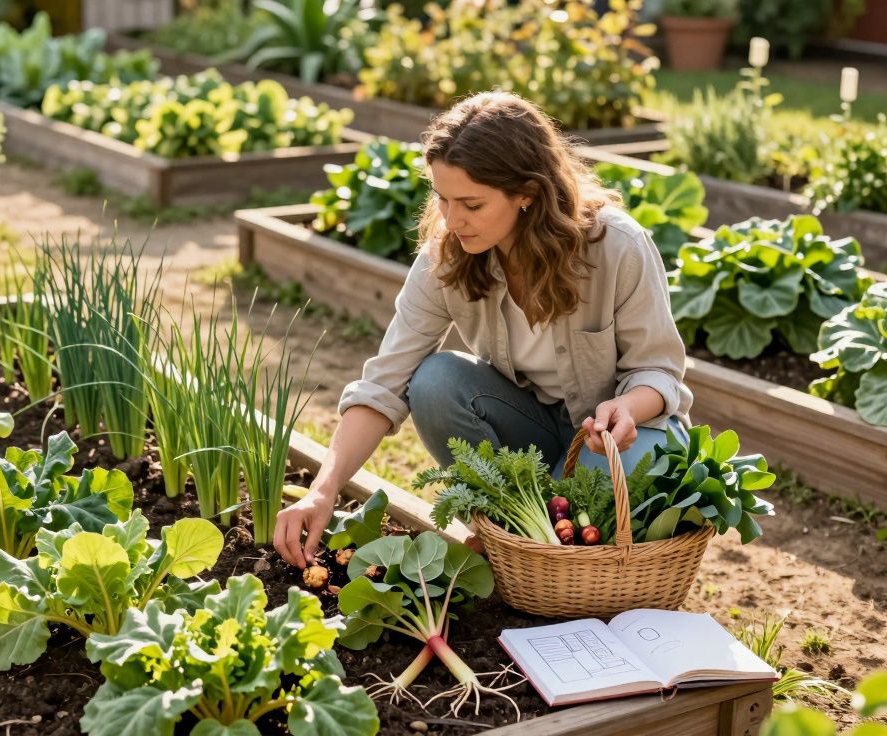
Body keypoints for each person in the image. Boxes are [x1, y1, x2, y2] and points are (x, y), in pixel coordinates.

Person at [273, 91, 693, 569]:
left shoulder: (616, 246)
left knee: (583, 528)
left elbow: (659, 372)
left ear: (527, 193)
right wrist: (322, 491)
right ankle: (514, 528)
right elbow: (385, 380)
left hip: (620, 437)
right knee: (434, 381)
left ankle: (524, 534)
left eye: (471, 203)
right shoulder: (448, 253)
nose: (453, 220)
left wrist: (626, 409)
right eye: (442, 198)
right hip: (531, 427)